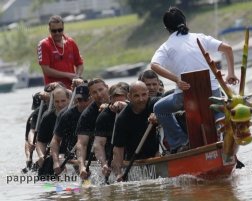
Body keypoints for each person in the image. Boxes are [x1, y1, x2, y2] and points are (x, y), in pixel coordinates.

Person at [150, 7, 239, 154]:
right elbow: (228, 48)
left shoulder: (166, 47)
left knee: (159, 109)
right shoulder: (200, 38)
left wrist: (177, 80)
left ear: (166, 28)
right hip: (212, 93)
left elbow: (154, 65)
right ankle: (224, 133)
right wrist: (231, 73)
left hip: (184, 96)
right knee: (218, 104)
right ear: (185, 21)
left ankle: (180, 142)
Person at [112, 81, 160, 180]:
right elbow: (118, 149)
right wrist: (118, 173)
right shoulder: (123, 118)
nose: (141, 99)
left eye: (144, 95)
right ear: (129, 97)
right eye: (136, 96)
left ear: (148, 93)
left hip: (158, 153)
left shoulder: (156, 105)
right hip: (134, 158)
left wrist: (159, 117)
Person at [50, 83, 92, 175]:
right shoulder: (66, 115)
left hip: (93, 152)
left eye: (85, 99)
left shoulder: (98, 111)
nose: (82, 103)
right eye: (79, 100)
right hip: (74, 154)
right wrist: (56, 162)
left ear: (91, 98)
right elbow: (56, 140)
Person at [37, 15, 84, 89]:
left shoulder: (71, 42)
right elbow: (46, 70)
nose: (57, 33)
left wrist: (77, 77)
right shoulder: (44, 44)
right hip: (53, 89)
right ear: (49, 30)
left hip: (71, 89)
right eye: (54, 31)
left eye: (60, 30)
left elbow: (80, 64)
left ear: (63, 28)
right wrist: (68, 75)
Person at [76, 78, 110, 179]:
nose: (99, 94)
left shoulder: (118, 102)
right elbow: (82, 143)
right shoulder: (87, 115)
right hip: (100, 150)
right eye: (94, 92)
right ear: (90, 95)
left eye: (101, 90)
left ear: (107, 88)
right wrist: (81, 166)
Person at [93, 83, 129, 177]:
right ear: (110, 99)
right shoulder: (104, 116)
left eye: (122, 99)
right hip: (112, 155)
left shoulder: (133, 109)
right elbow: (98, 144)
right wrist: (103, 164)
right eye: (116, 100)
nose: (119, 105)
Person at [35, 87, 70, 167]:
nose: (60, 105)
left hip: (71, 154)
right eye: (57, 101)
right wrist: (41, 156)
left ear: (68, 99)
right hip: (55, 153)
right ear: (53, 102)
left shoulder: (74, 114)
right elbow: (40, 142)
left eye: (63, 101)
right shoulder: (47, 117)